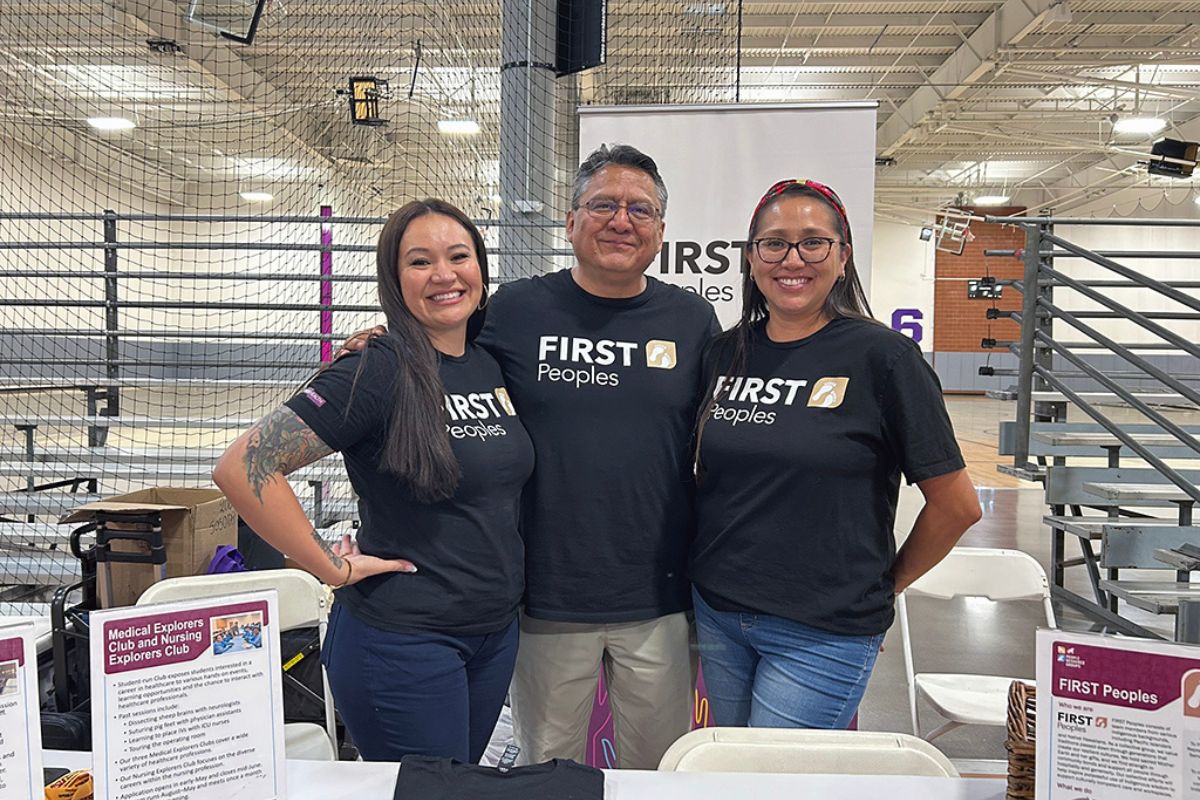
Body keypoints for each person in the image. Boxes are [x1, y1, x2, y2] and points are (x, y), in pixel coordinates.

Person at [339, 145, 720, 769]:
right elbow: (439, 339)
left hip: (658, 595)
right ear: (570, 222)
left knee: (659, 773)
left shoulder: (692, 319)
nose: (620, 220)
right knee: (546, 770)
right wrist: (382, 339)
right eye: (602, 204)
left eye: (639, 209)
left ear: (660, 230)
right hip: (543, 598)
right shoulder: (513, 309)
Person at [213, 199, 535, 762]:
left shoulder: (488, 363)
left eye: (459, 256)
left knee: (457, 788)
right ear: (394, 278)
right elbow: (243, 467)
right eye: (420, 262)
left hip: (491, 635)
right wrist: (329, 565)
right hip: (403, 641)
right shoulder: (375, 368)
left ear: (480, 267)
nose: (444, 274)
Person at [690, 178, 982, 729]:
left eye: (813, 242)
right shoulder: (724, 353)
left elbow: (958, 506)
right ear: (752, 259)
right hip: (719, 612)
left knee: (773, 785)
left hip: (823, 628)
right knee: (724, 775)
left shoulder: (885, 358)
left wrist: (881, 590)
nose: (791, 258)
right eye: (773, 243)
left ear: (843, 256)